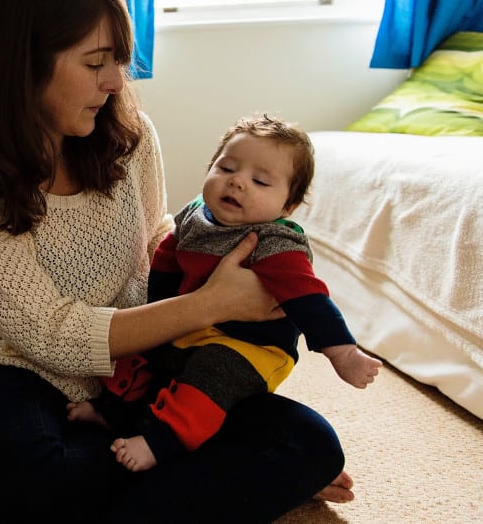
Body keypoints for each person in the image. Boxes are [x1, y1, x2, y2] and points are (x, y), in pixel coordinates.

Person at [0, 0, 356, 522]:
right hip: (20, 369)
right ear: (24, 66)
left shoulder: (128, 140)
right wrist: (212, 303)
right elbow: (51, 335)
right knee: (29, 481)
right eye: (95, 63)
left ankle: (152, 481)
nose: (115, 82)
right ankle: (200, 484)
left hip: (146, 366)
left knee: (313, 443)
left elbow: (158, 240)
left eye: (117, 63)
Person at [67, 113, 382, 473]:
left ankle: (163, 441)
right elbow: (168, 259)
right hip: (198, 327)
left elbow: (310, 298)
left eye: (260, 181)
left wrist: (342, 352)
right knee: (145, 355)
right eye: (227, 167)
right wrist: (161, 312)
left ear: (288, 207)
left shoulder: (276, 242)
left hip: (250, 347)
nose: (237, 183)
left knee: (209, 377)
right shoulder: (195, 215)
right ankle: (114, 413)